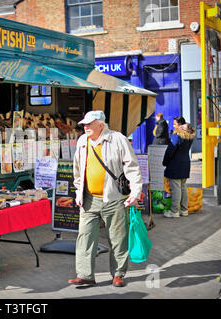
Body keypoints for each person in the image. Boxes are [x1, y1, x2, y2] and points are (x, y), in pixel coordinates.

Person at [69, 110, 143, 288]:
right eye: (84, 124)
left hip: (114, 198)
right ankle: (85, 275)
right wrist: (79, 191)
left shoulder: (118, 139)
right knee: (85, 236)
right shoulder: (82, 141)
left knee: (118, 237)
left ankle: (118, 274)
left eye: (89, 124)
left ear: (101, 125)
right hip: (89, 198)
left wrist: (135, 192)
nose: (85, 127)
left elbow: (132, 167)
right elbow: (78, 170)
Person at [162, 116, 196, 218]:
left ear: (180, 125)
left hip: (175, 165)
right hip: (185, 163)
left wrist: (165, 162)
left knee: (176, 188)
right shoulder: (189, 135)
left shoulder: (177, 136)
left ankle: (174, 211)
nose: (173, 125)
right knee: (183, 187)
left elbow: (170, 151)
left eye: (175, 124)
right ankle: (184, 210)